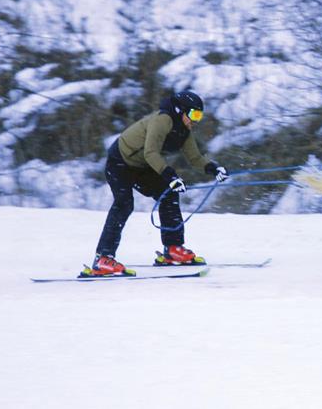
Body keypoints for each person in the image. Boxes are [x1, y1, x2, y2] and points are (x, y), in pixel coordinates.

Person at [86, 90, 229, 277]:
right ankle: (103, 259)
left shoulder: (184, 130)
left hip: (143, 166)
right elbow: (151, 152)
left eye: (200, 116)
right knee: (124, 204)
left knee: (169, 194)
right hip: (120, 162)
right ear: (181, 111)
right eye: (194, 114)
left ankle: (172, 249)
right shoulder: (163, 120)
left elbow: (194, 158)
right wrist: (170, 176)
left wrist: (213, 168)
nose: (196, 120)